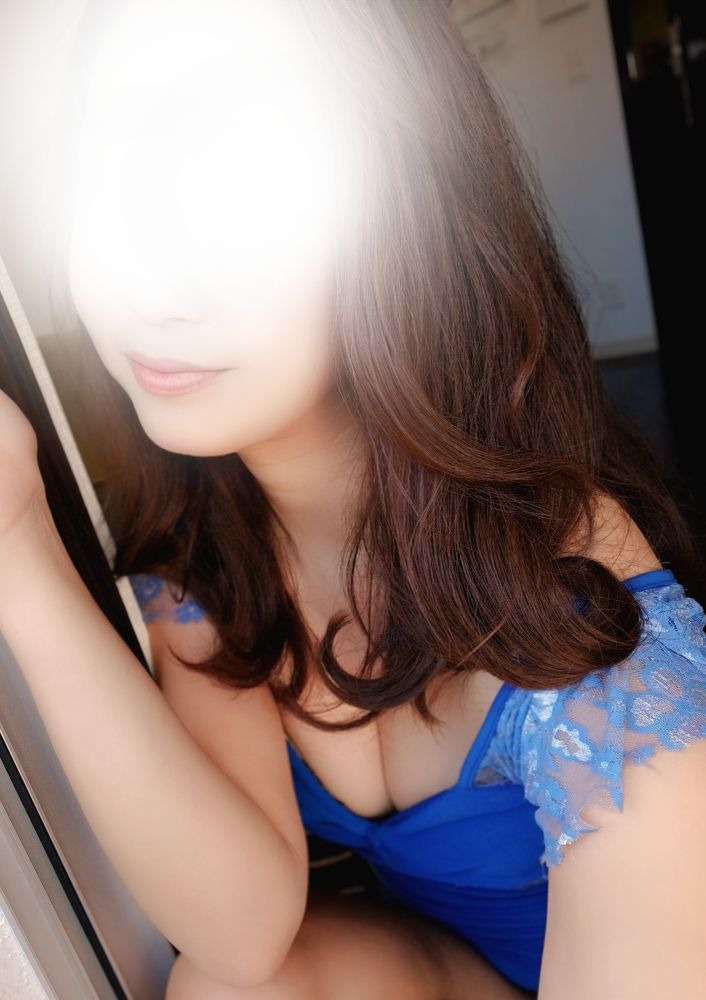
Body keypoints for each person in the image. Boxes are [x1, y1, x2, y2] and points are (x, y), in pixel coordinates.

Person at [2, 1, 706, 997]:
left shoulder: (578, 599)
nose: (148, 294)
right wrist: (19, 550)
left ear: (400, 221)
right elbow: (241, 934)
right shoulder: (210, 556)